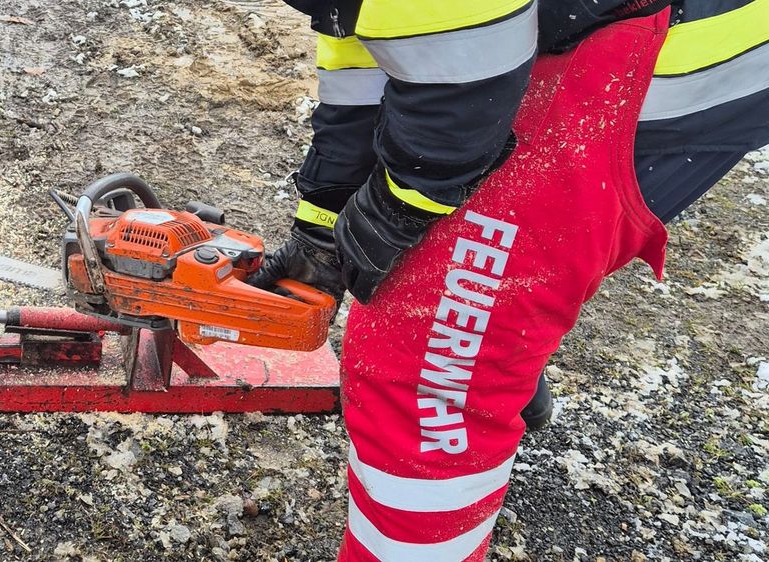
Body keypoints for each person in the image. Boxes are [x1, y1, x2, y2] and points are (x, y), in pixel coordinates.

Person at [246, 0, 769, 559]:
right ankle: (496, 363)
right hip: (561, 27)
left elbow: (461, 81)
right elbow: (371, 31)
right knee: (462, 297)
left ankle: (462, 408)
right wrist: (324, 215)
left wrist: (399, 204)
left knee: (421, 359)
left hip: (669, 42)